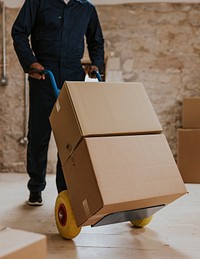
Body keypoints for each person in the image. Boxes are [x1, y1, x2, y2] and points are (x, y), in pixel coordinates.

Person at [11, 0, 104, 206]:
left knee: (69, 138)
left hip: (73, 78)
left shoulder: (86, 8)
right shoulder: (38, 2)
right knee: (39, 134)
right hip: (44, 75)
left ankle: (65, 191)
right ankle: (35, 186)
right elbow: (19, 32)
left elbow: (96, 41)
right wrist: (30, 63)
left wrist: (96, 64)